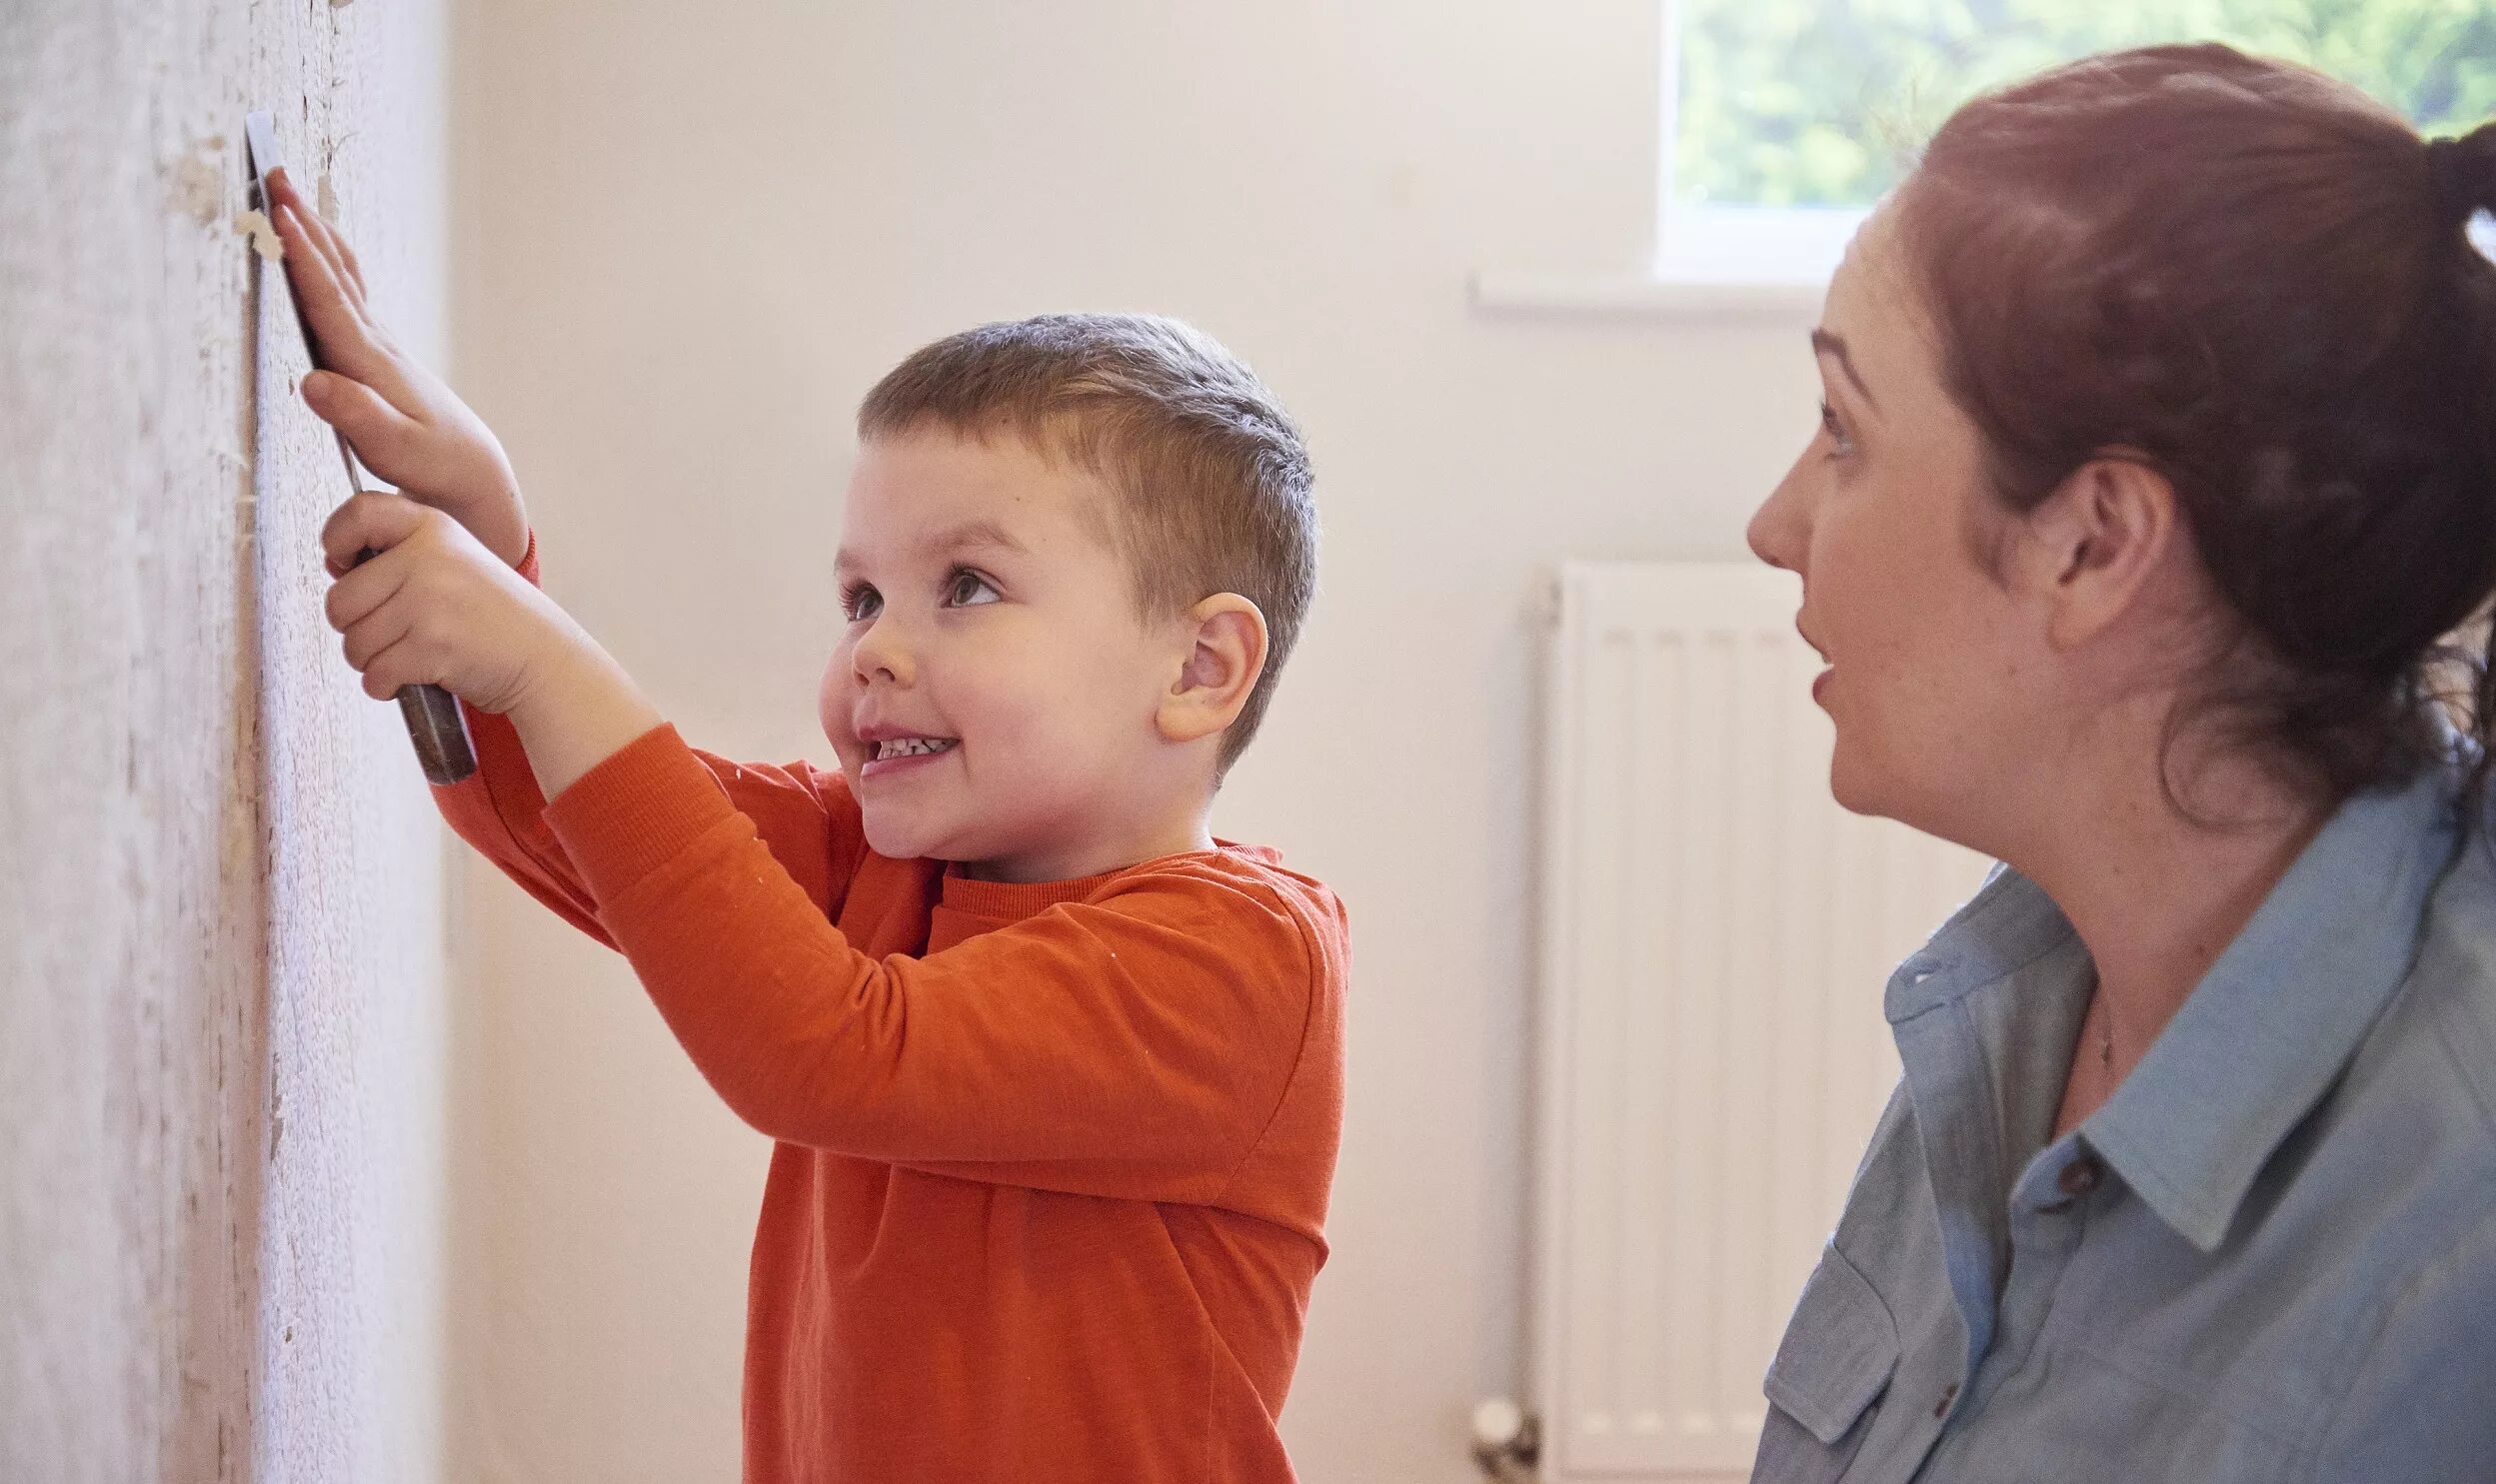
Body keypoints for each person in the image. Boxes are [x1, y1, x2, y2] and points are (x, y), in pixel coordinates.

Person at [261, 169, 1346, 1483]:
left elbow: (825, 1054)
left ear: (1197, 667)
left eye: (966, 585)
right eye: (859, 596)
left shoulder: (1238, 965)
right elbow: (572, 822)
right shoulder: (879, 862)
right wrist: (487, 544)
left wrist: (547, 660)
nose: (876, 648)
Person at [1744, 45, 2496, 1482]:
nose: (1773, 522)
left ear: (2092, 543)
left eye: (1844, 431)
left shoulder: (2449, 1253)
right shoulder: (2019, 993)